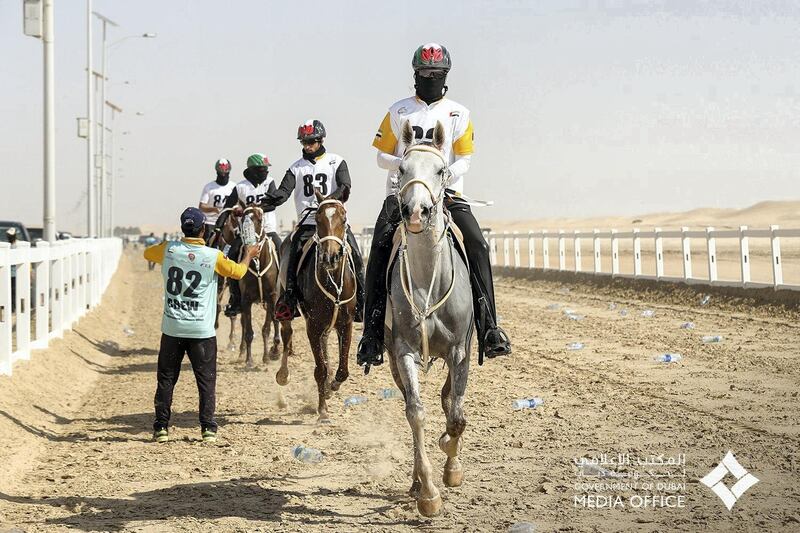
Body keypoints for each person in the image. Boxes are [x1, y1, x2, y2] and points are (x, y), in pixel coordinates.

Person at [357, 43, 511, 371]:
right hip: (403, 194)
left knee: (478, 245)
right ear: (415, 75)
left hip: (447, 194)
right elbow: (380, 155)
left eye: (436, 74)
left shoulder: (459, 113)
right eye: (424, 74)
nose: (430, 78)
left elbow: (465, 158)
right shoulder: (398, 111)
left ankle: (489, 328)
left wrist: (442, 174)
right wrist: (412, 165)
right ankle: (370, 333)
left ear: (445, 76)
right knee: (380, 247)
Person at [143, 207, 259, 443]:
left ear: (183, 228)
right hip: (201, 331)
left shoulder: (168, 250)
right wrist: (248, 254)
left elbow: (147, 253)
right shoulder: (212, 255)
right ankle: (208, 428)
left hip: (173, 327)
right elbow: (237, 272)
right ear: (203, 229)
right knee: (206, 380)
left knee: (166, 379)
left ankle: (161, 428)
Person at [260, 119, 365, 322]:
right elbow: (282, 193)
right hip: (309, 223)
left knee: (358, 257)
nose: (308, 146)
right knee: (291, 257)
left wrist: (328, 201)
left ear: (321, 140)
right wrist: (262, 204)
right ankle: (289, 299)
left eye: (312, 141)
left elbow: (345, 186)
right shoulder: (295, 168)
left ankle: (361, 301)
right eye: (304, 142)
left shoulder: (337, 161)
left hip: (334, 224)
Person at [218, 153, 282, 317]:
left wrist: (254, 208)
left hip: (268, 229)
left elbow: (273, 203)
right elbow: (227, 208)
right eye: (262, 169)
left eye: (266, 169)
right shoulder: (240, 187)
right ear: (252, 170)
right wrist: (219, 226)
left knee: (283, 252)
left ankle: (285, 296)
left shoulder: (269, 182)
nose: (265, 172)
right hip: (246, 233)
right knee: (232, 254)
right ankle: (235, 298)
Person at [199, 158, 236, 244]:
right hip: (211, 221)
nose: (223, 174)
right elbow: (202, 206)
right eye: (221, 172)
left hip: (227, 223)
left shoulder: (234, 186)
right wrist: (214, 209)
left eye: (225, 171)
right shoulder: (209, 187)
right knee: (208, 243)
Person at [6, 228, 17, 312]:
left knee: (13, 291)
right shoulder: (8, 246)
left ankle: (13, 307)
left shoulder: (17, 246)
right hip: (8, 273)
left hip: (15, 273)